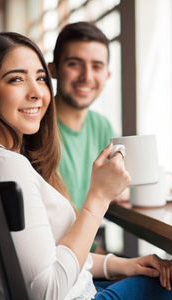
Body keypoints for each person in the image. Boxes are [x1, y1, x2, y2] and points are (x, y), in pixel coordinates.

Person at [0, 31, 172, 299]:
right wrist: (98, 197)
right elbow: (45, 292)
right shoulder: (8, 168)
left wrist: (120, 264)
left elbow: (50, 257)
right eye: (16, 79)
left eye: (40, 78)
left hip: (81, 284)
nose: (37, 92)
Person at [48, 22, 124, 254]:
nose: (86, 76)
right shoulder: (36, 127)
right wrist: (118, 265)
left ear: (107, 75)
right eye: (74, 64)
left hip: (87, 255)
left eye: (97, 66)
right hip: (64, 262)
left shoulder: (102, 126)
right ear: (53, 69)